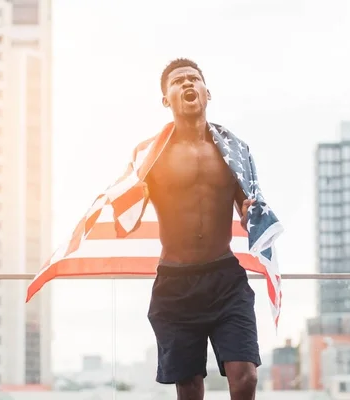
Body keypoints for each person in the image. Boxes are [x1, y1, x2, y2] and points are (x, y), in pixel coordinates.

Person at [145, 58, 260, 400]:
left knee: (246, 378)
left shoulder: (234, 150)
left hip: (225, 280)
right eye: (178, 82)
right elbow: (125, 204)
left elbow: (247, 202)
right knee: (190, 387)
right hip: (175, 283)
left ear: (207, 92)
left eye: (193, 79)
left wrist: (249, 211)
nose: (187, 84)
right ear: (167, 99)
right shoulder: (152, 156)